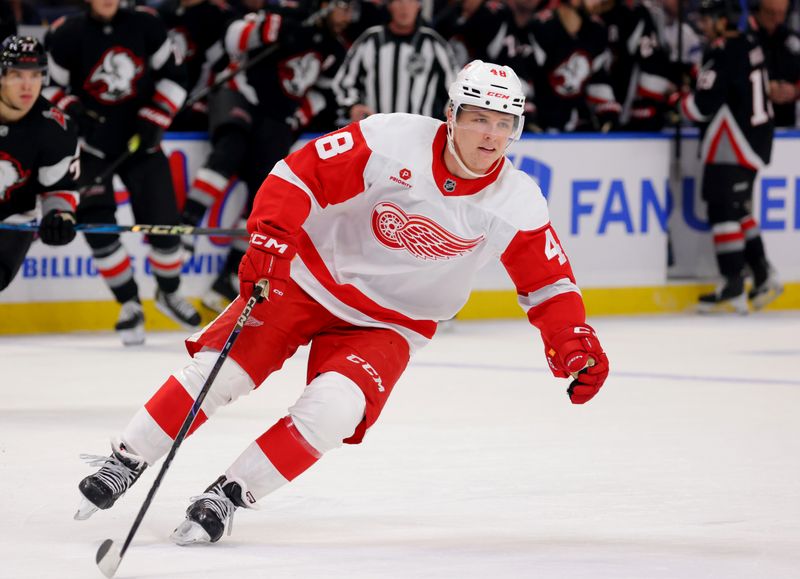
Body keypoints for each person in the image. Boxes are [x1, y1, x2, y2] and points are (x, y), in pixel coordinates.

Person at [74, 60, 610, 546]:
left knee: (334, 411)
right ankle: (127, 457)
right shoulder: (390, 138)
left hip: (391, 323)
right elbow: (299, 174)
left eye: (504, 123)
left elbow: (550, 283)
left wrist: (571, 339)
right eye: (478, 118)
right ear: (450, 115)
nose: (491, 135)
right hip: (309, 276)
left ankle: (229, 493)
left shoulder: (516, 200)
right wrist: (270, 237)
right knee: (223, 371)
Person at [180, 1, 355, 313]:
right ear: (325, 7)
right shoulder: (288, 15)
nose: (347, 17)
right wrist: (272, 31)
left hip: (277, 117)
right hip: (240, 94)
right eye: (342, 8)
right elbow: (232, 38)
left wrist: (298, 116)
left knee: (264, 192)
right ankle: (186, 227)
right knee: (229, 151)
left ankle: (228, 275)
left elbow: (325, 93)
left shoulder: (335, 49)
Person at [45, 0, 202, 345]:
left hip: (139, 142)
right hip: (91, 148)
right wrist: (76, 115)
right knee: (97, 226)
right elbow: (48, 87)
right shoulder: (66, 33)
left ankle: (169, 291)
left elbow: (175, 76)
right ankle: (129, 303)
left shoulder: (146, 25)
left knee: (165, 223)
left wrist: (155, 117)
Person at [674, 0, 782, 312]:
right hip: (755, 139)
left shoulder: (722, 51)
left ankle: (733, 283)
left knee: (723, 209)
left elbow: (702, 106)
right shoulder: (749, 43)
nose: (703, 25)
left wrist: (679, 101)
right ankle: (762, 274)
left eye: (708, 19)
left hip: (733, 142)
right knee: (737, 209)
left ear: (724, 21)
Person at [0, 35, 80, 291]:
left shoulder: (55, 127)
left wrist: (60, 216)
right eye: (17, 75)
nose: (28, 86)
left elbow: (59, 188)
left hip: (13, 218)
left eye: (35, 75)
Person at [332, 0, 457, 122]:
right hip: (376, 132)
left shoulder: (433, 43)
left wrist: (449, 117)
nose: (404, 7)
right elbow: (343, 82)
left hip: (420, 134)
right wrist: (353, 105)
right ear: (389, 5)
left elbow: (455, 86)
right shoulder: (370, 40)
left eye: (410, 1)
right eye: (398, 1)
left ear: (418, 5)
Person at [753, 0, 800, 128]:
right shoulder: (743, 40)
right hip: (751, 127)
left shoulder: (794, 40)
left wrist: (795, 91)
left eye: (781, 13)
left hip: (788, 125)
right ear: (758, 10)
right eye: (770, 12)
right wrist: (763, 89)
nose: (776, 18)